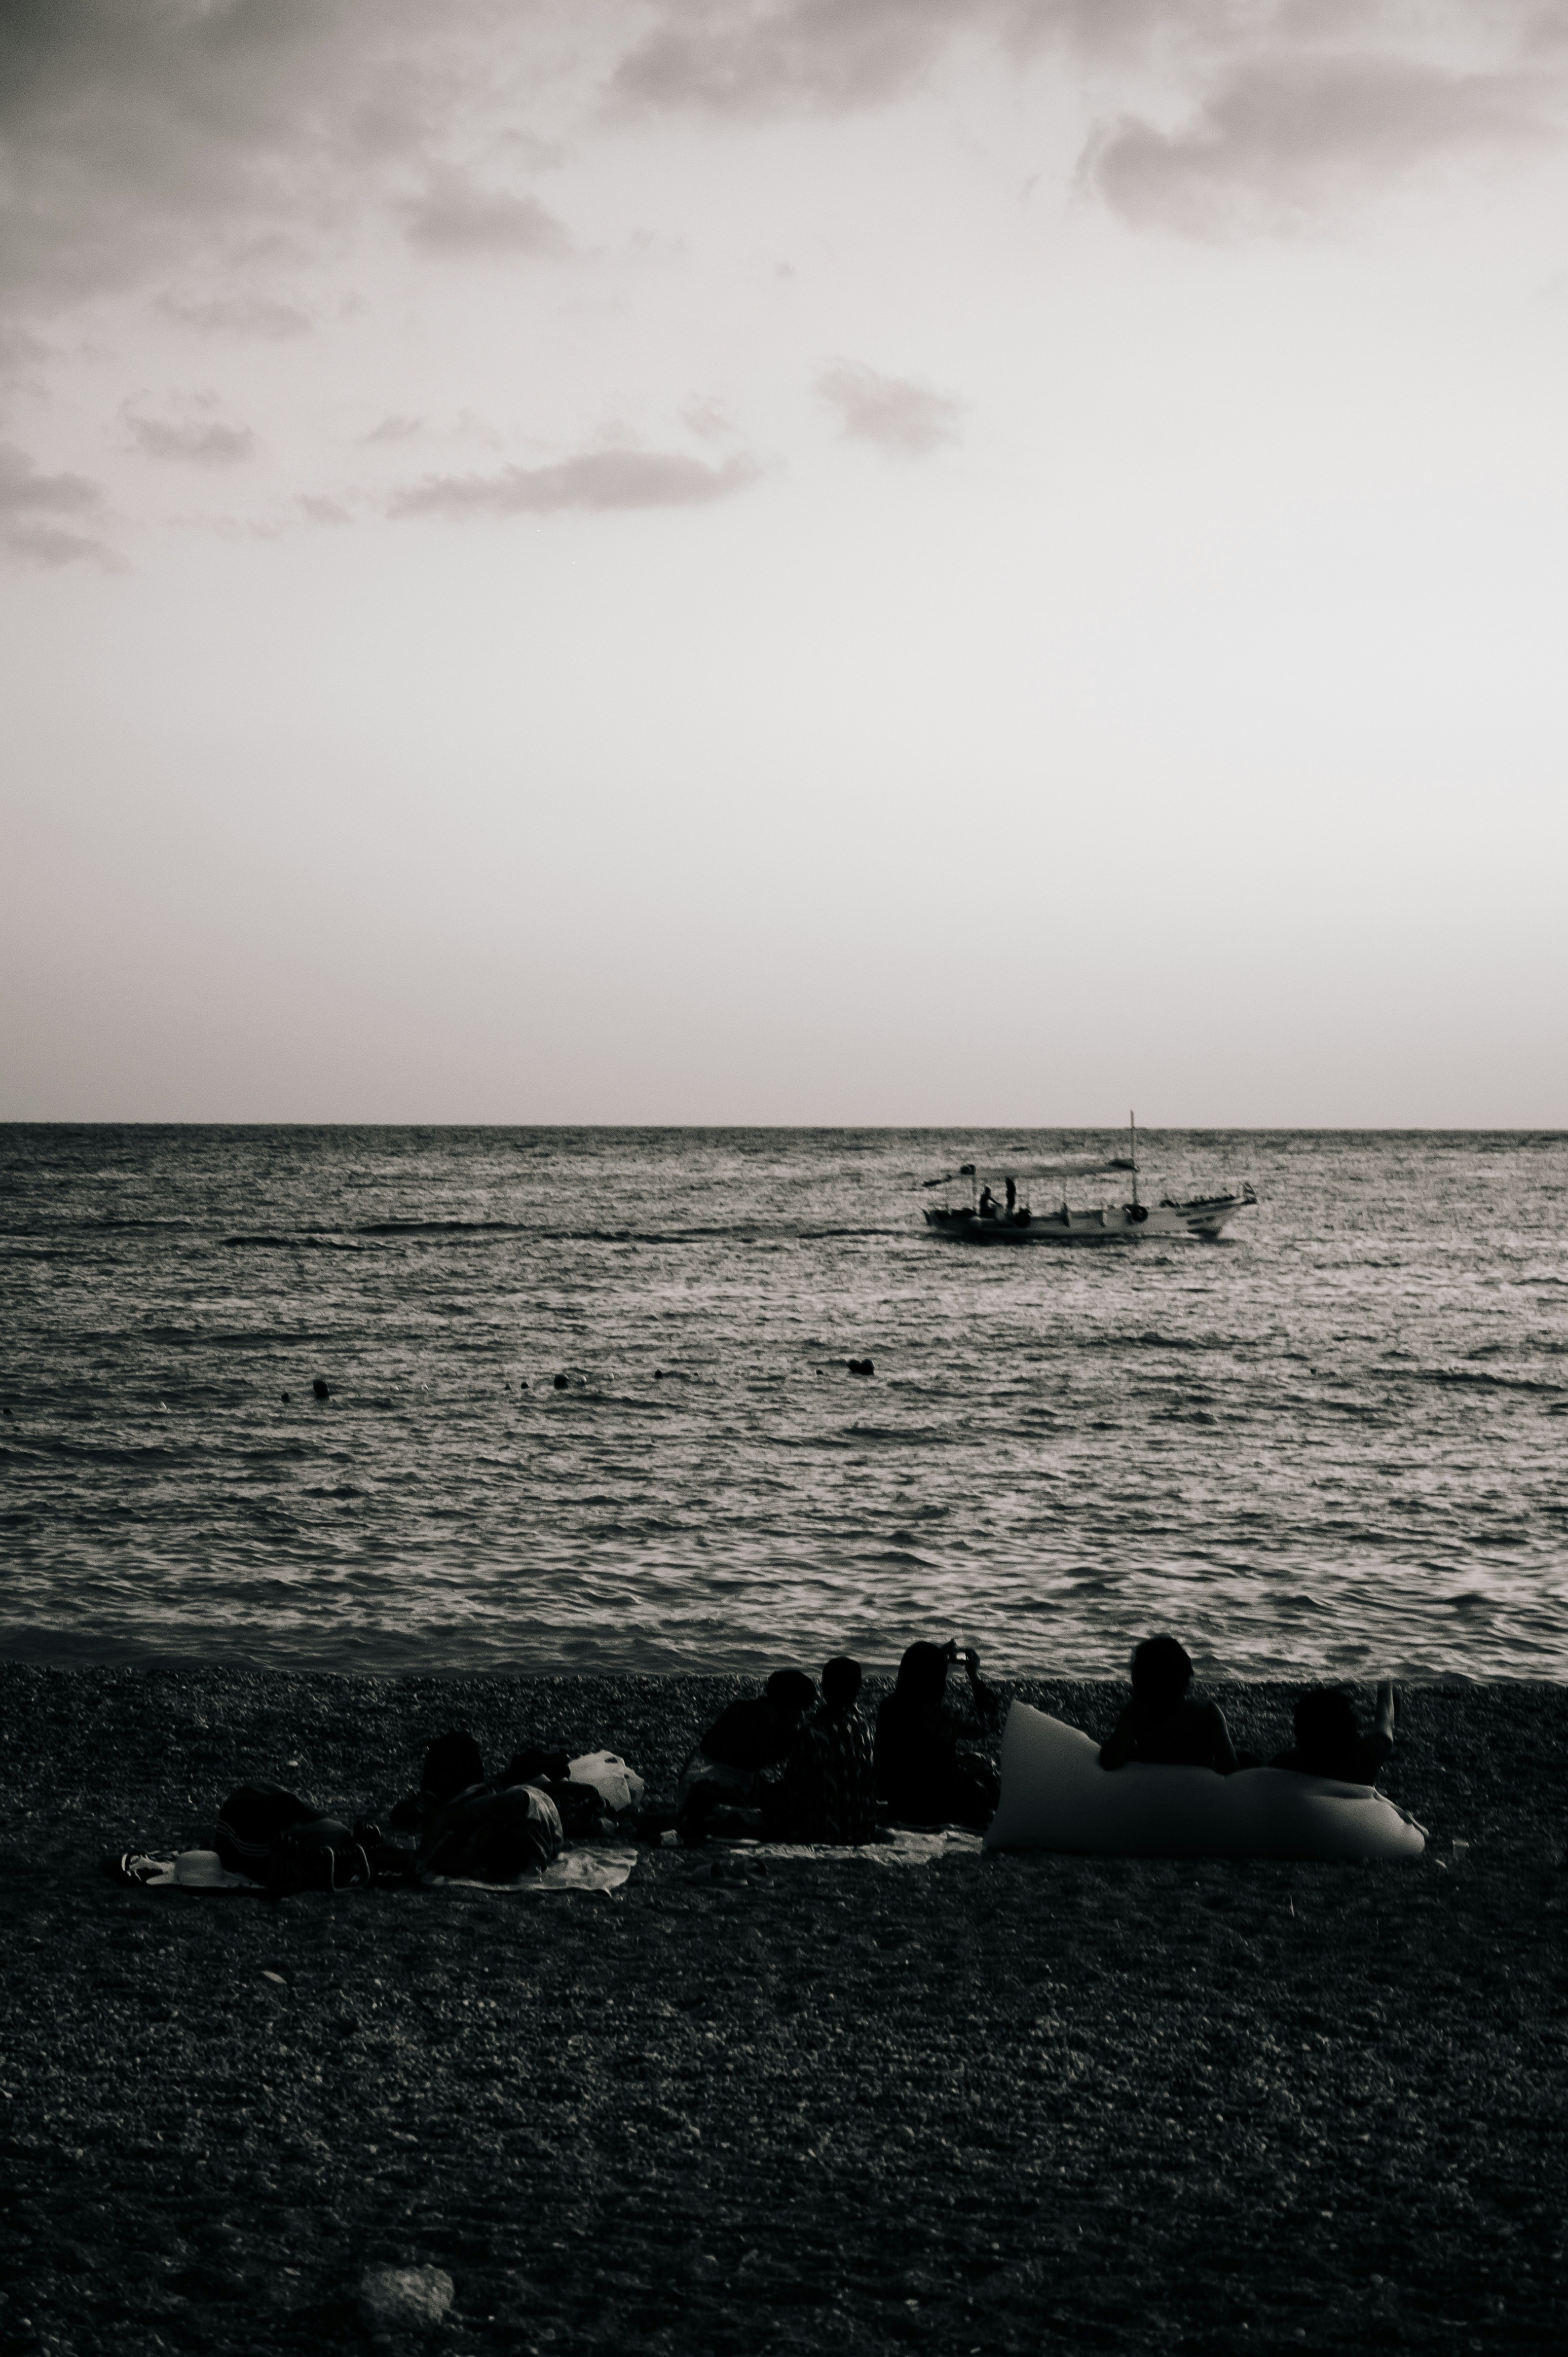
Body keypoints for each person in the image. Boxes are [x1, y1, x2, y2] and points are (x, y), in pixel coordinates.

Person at [677, 1669, 817, 1842]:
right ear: (789, 1705)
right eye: (800, 1710)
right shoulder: (780, 1729)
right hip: (723, 1794)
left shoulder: (739, 1708)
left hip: (691, 1783)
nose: (801, 1716)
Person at [875, 1640, 1000, 1829]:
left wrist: (934, 1658)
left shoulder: (888, 1707)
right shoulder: (940, 1715)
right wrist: (974, 1676)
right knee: (984, 1774)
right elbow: (990, 1721)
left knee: (966, 1760)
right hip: (938, 1806)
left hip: (901, 1803)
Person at [1098, 1636, 1244, 1775]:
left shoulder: (1137, 1713)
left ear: (1140, 1678)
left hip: (1152, 1792)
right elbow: (1231, 1768)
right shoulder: (1208, 1713)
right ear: (1186, 1676)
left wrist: (1132, 1752)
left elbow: (1110, 1761)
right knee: (1247, 1758)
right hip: (1198, 1793)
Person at [773, 1656, 879, 1845]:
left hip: (824, 1832)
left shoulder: (813, 1734)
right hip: (862, 1829)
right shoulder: (867, 1729)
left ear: (824, 1689)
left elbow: (794, 1791)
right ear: (858, 1688)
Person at [1272, 1682, 1396, 1785]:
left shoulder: (1286, 1765)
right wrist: (1384, 1675)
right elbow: (1386, 1715)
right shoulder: (1365, 1760)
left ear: (1298, 1734)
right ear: (1352, 1729)